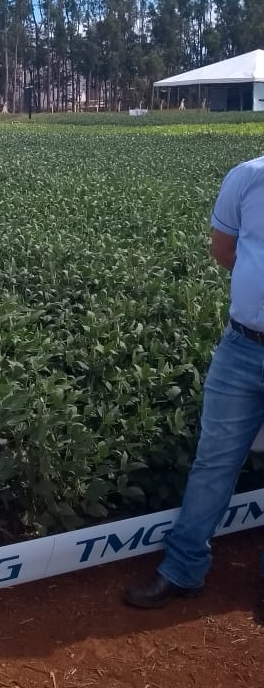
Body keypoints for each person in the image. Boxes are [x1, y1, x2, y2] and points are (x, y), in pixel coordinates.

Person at [124, 153, 264, 612]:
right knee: (212, 463)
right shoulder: (247, 178)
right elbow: (225, 251)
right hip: (242, 346)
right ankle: (183, 570)